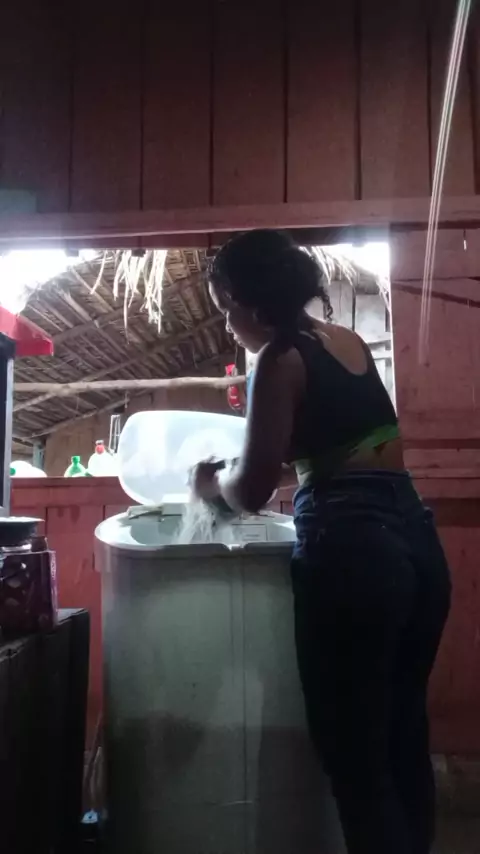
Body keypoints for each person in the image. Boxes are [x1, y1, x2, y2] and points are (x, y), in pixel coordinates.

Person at [191, 229, 451, 854]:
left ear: (253, 304)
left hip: (354, 552)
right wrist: (252, 466)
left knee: (357, 759)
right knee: (402, 739)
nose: (227, 324)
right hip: (415, 538)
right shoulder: (345, 341)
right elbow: (338, 450)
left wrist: (209, 484)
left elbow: (252, 489)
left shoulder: (278, 359)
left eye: (226, 309)